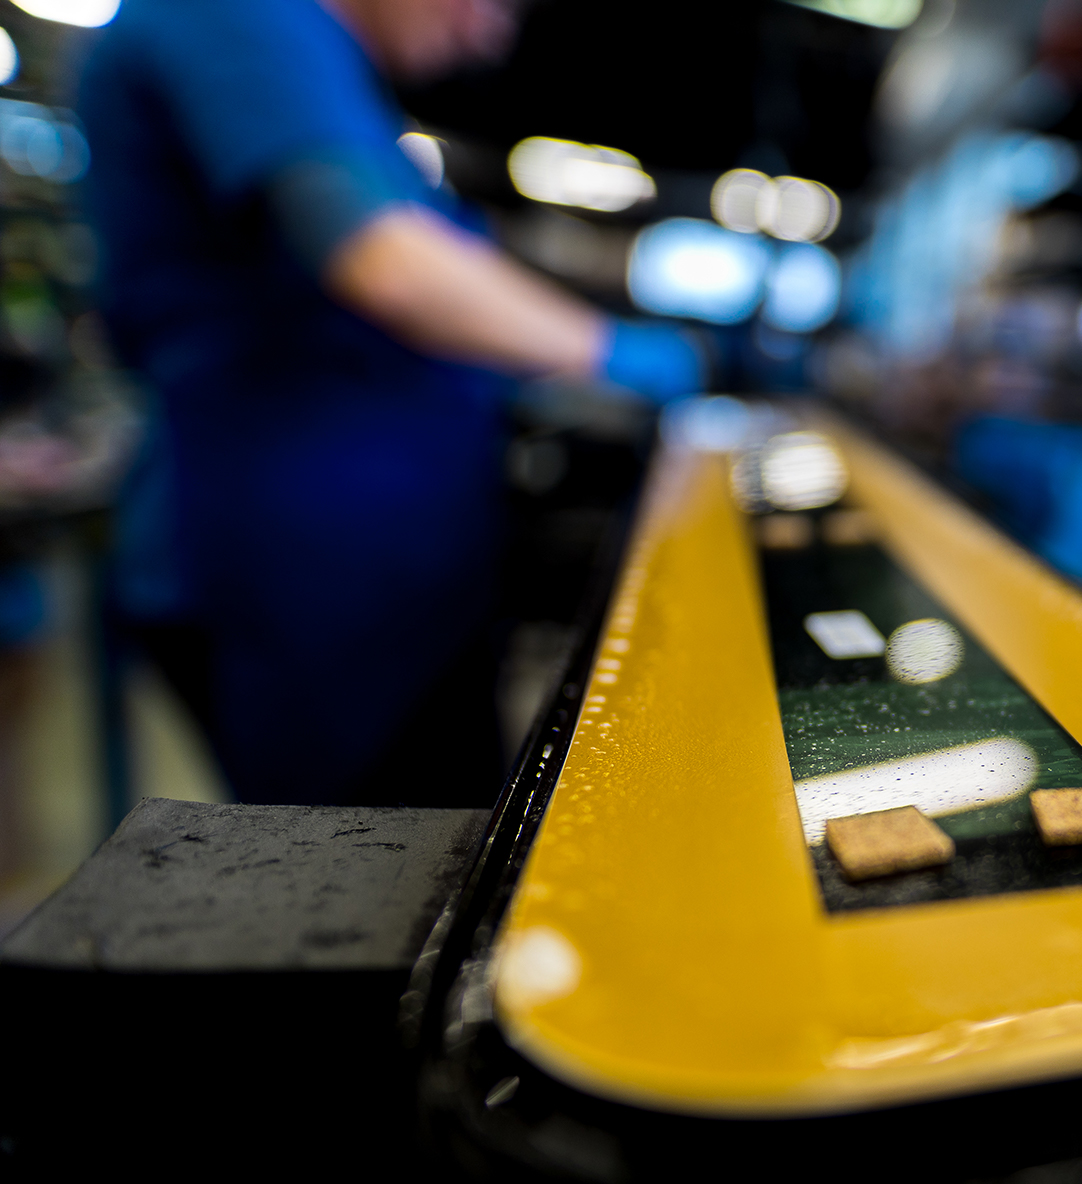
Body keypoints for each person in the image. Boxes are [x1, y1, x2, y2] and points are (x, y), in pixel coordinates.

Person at [76, 0, 700, 806]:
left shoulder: (334, 73)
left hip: (381, 573)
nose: (491, 34)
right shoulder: (239, 15)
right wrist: (616, 353)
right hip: (304, 573)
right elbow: (388, 265)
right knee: (366, 869)